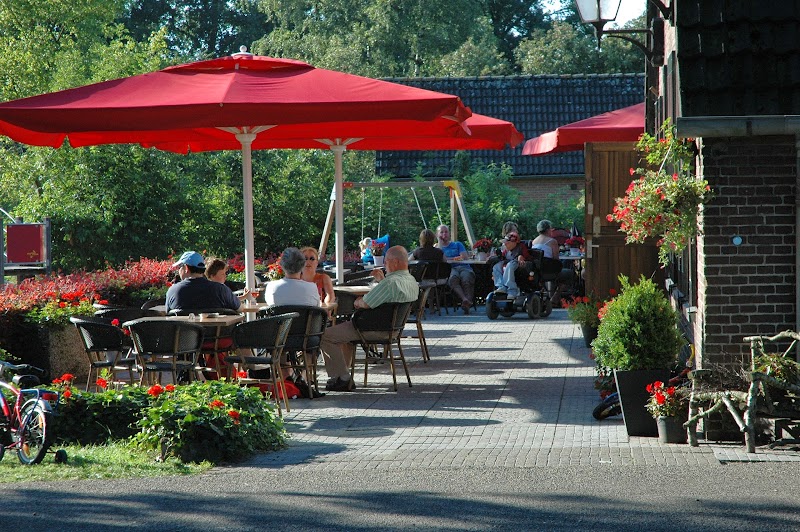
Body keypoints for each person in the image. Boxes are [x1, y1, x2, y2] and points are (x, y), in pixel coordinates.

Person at [320, 245, 418, 392]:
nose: (384, 264)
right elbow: (390, 296)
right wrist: (381, 281)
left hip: (371, 328)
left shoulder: (390, 283)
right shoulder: (411, 280)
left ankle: (343, 378)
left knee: (325, 336)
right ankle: (342, 374)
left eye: (386, 261)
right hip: (393, 329)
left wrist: (357, 301)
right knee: (342, 332)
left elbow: (365, 303)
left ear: (395, 262)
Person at [165, 251, 242, 313]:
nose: (179, 270)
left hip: (184, 332)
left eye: (180, 267)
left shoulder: (173, 291)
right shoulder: (221, 289)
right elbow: (239, 309)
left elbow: (167, 314)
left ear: (186, 268)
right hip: (218, 332)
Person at [435, 224, 475, 315]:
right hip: (450, 269)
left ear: (449, 234)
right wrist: (440, 244)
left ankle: (467, 304)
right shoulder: (436, 247)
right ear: (437, 235)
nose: (444, 234)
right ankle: (465, 299)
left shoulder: (457, 244)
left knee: (466, 279)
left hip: (463, 267)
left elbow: (464, 257)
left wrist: (449, 259)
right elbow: (439, 259)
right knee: (453, 279)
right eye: (441, 232)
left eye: (446, 232)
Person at [492, 230, 531, 298]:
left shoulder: (521, 247)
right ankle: (501, 286)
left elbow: (527, 257)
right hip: (507, 262)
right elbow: (502, 257)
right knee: (496, 267)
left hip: (516, 263)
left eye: (507, 242)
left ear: (514, 242)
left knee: (510, 266)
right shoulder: (506, 250)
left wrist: (521, 256)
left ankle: (512, 290)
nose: (505, 244)